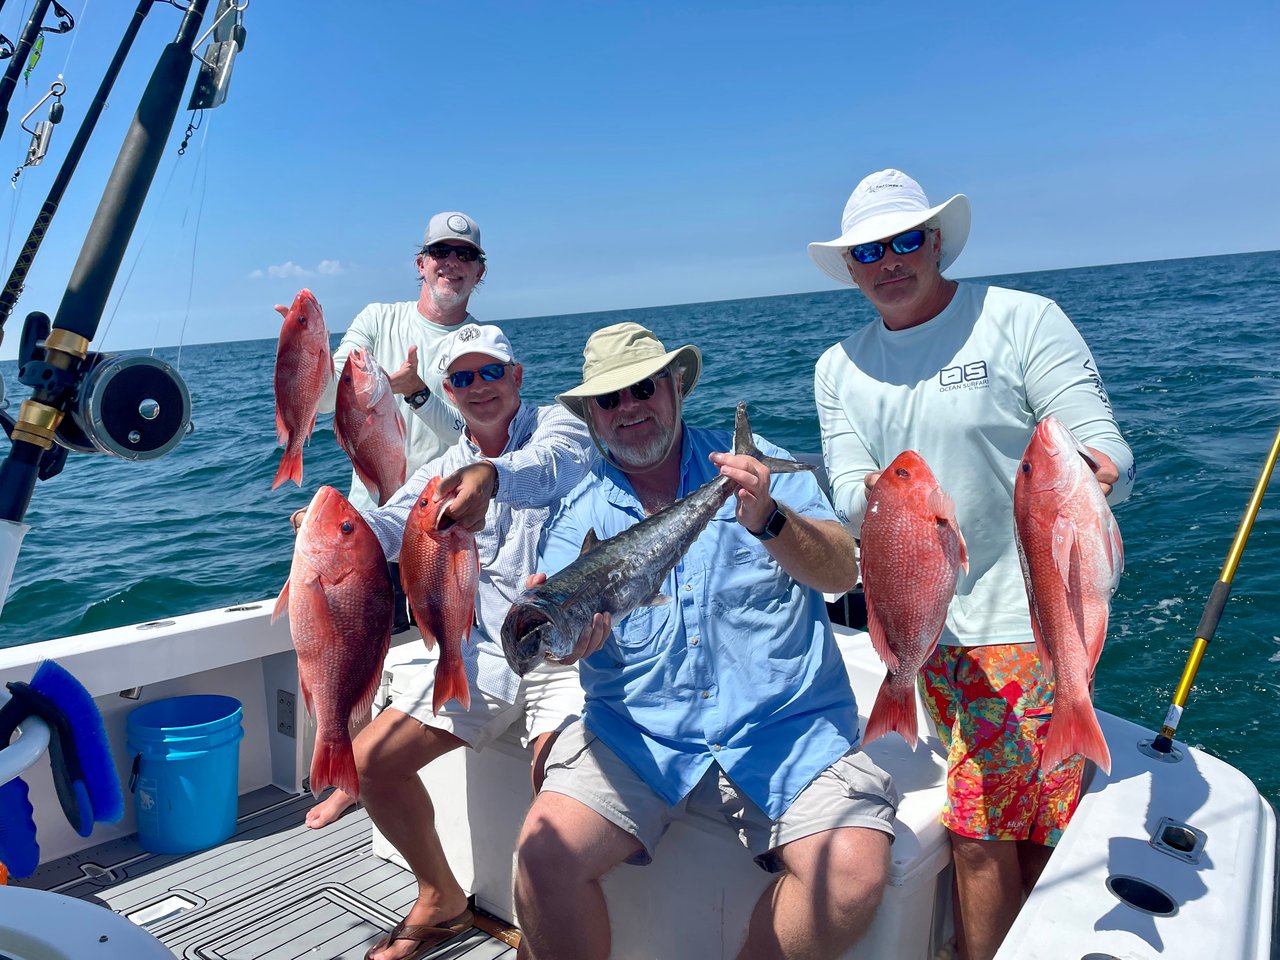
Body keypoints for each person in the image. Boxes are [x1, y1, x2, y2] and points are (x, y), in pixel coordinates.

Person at [808, 169, 1135, 960]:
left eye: (905, 240)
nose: (888, 261)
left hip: (1027, 626)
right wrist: (895, 508)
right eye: (868, 251)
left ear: (937, 241)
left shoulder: (1021, 320)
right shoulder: (837, 367)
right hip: (927, 630)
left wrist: (1084, 483)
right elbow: (851, 488)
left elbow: (1101, 442)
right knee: (1016, 831)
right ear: (850, 268)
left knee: (983, 834)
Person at [512, 323, 899, 960]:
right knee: (541, 858)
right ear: (591, 417)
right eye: (609, 400)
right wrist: (568, 640)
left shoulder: (753, 469)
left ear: (676, 388)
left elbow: (843, 570)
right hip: (640, 736)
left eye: (644, 388)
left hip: (784, 728)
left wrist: (770, 520)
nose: (629, 408)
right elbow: (553, 620)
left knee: (853, 871)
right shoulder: (577, 515)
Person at [314, 322, 596, 960]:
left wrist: (488, 477)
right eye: (462, 378)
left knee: (562, 798)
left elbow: (550, 467)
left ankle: (555, 930)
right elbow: (393, 521)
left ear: (516, 376)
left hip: (570, 648)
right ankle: (440, 893)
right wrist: (337, 531)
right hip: (480, 649)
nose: (478, 387)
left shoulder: (562, 428)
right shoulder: (440, 469)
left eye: (490, 372)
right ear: (447, 390)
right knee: (370, 764)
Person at [305, 211, 488, 830]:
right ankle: (341, 768)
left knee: (423, 635)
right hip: (366, 522)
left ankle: (370, 761)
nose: (451, 264)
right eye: (441, 251)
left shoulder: (480, 341)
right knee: (349, 645)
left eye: (464, 256)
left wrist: (412, 391)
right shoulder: (377, 320)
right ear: (420, 262)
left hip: (439, 521)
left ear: (479, 272)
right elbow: (337, 386)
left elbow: (478, 433)